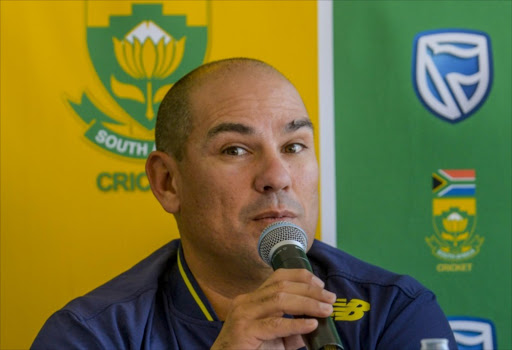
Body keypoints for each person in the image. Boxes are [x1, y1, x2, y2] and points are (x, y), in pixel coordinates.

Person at [32, 58, 456, 349]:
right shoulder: (92, 335)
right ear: (167, 182)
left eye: (293, 146)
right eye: (235, 150)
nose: (276, 176)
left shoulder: (393, 311)